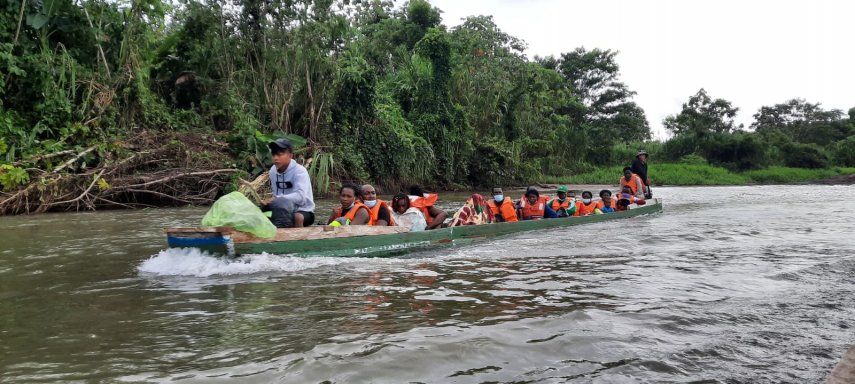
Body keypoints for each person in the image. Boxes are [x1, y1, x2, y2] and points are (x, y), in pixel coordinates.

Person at [262, 138, 315, 228]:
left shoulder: (300, 171)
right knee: (261, 211)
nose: (275, 158)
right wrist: (268, 202)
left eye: (280, 154)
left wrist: (278, 199)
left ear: (290, 155)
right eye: (274, 154)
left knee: (297, 217)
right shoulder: (272, 171)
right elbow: (276, 194)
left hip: (303, 210)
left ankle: (298, 239)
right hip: (281, 207)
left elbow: (301, 197)